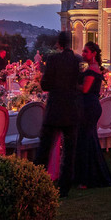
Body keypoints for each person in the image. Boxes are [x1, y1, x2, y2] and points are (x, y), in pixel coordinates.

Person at [36, 32, 83, 197]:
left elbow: (45, 84)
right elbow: (78, 83)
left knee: (44, 149)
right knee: (69, 152)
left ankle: (37, 181)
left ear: (58, 43)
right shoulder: (77, 60)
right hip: (71, 110)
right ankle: (64, 188)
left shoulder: (53, 60)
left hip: (55, 109)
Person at [72, 42, 111, 189]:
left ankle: (87, 178)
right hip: (89, 106)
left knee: (86, 141)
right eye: (83, 51)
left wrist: (71, 83)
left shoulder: (92, 70)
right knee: (87, 139)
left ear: (93, 53)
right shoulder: (93, 68)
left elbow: (85, 89)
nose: (83, 54)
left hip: (89, 107)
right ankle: (85, 176)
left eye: (86, 51)